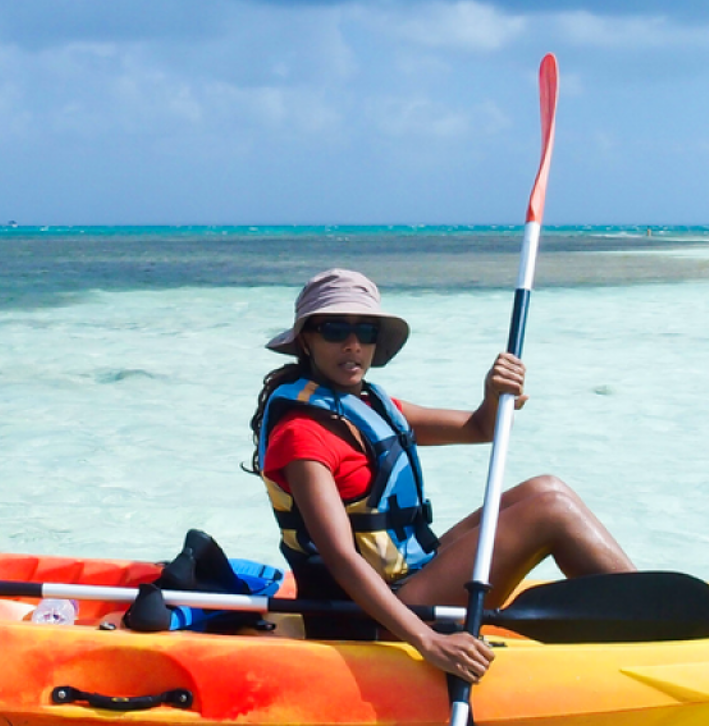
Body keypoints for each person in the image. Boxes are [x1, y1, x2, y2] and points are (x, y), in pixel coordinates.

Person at [249, 268, 639, 683]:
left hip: (411, 579)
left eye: (365, 330)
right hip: (370, 617)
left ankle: (647, 603)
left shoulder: (369, 404)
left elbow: (480, 428)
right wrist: (427, 642)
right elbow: (341, 557)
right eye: (334, 330)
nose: (353, 344)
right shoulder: (302, 435)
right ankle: (649, 615)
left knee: (546, 488)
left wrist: (494, 395)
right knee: (550, 511)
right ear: (306, 339)